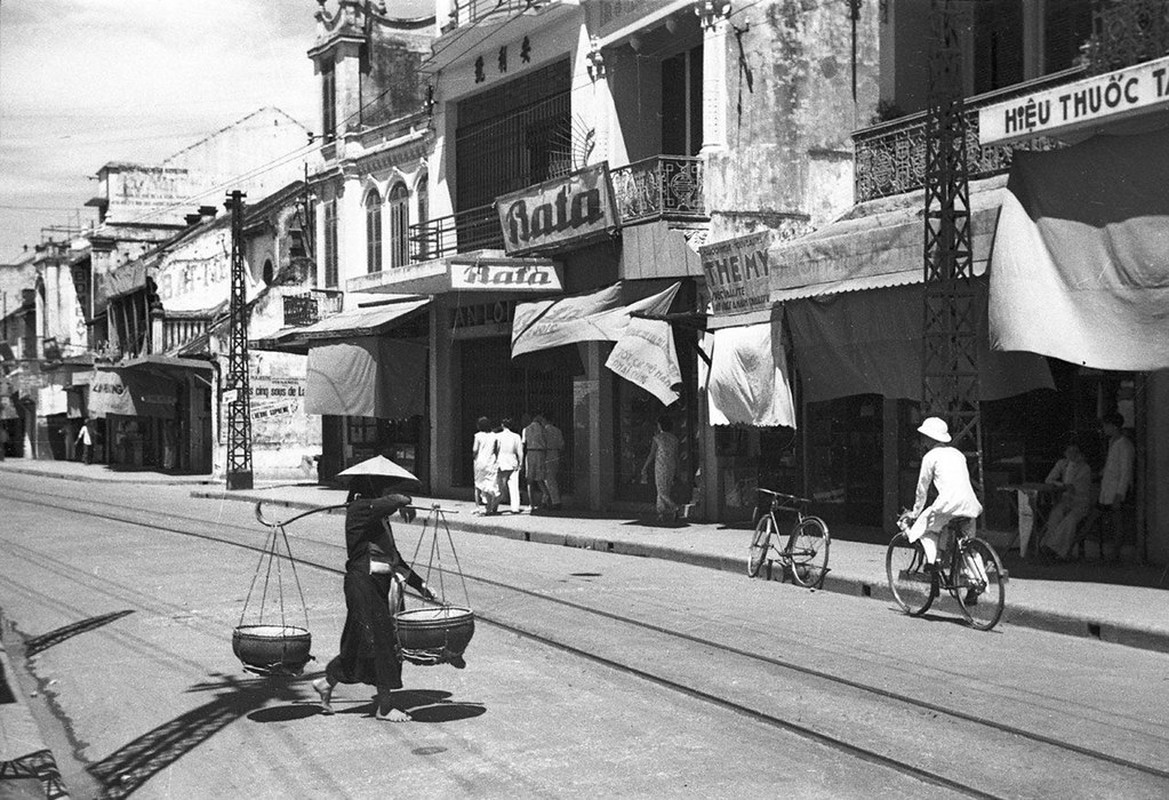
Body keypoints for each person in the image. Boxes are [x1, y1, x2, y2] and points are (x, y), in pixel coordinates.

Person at [312, 479, 436, 721]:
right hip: (363, 585)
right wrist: (403, 501)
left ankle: (326, 683)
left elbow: (395, 559)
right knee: (382, 641)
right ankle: (385, 707)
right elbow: (396, 501)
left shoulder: (379, 519)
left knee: (360, 644)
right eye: (385, 489)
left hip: (383, 585)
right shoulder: (358, 510)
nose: (387, 494)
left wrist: (420, 585)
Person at [904, 417, 986, 600]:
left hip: (948, 505)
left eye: (924, 437)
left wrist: (915, 512)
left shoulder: (930, 457)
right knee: (968, 546)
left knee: (923, 530)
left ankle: (933, 563)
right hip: (969, 505)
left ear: (928, 438)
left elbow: (922, 489)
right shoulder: (958, 454)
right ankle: (977, 581)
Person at [1038, 440, 1093, 561]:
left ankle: (1055, 549)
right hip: (1065, 500)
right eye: (1069, 451)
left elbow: (1075, 488)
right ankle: (1045, 545)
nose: (1072, 454)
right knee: (1055, 516)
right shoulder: (1062, 464)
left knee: (1070, 520)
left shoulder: (1085, 468)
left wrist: (1066, 487)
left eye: (1075, 452)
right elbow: (1049, 479)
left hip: (1080, 502)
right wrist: (1061, 484)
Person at [1091, 412, 1135, 561]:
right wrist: (1098, 474)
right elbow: (1111, 466)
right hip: (1107, 490)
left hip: (1116, 492)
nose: (1104, 428)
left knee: (1118, 522)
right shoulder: (1112, 443)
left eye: (1106, 425)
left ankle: (1115, 554)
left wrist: (1119, 494)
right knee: (1095, 517)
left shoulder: (1125, 445)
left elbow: (1125, 472)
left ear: (1113, 426)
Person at [640, 416, 680, 524]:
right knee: (665, 489)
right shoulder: (674, 439)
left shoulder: (657, 438)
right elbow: (676, 456)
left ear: (660, 425)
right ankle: (660, 514)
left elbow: (651, 454)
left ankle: (674, 507)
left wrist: (645, 467)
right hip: (671, 466)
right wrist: (678, 470)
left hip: (660, 466)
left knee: (661, 491)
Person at [472, 417, 500, 515]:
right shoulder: (494, 436)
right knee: (490, 484)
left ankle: (477, 507)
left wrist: (474, 457)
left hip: (480, 462)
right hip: (491, 462)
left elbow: (475, 449)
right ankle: (488, 508)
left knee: (478, 484)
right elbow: (496, 450)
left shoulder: (478, 436)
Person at [496, 417, 524, 513]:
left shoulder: (498, 436)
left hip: (501, 461)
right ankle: (515, 507)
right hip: (513, 461)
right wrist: (521, 463)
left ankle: (495, 506)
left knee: (499, 486)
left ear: (502, 425)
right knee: (514, 486)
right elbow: (520, 452)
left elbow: (495, 450)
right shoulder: (516, 436)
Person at [522, 413, 547, 511]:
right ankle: (546, 496)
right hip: (540, 453)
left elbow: (523, 443)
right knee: (540, 478)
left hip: (530, 452)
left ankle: (531, 504)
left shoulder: (526, 429)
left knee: (530, 480)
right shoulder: (543, 429)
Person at [539, 413, 563, 510]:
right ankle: (545, 500)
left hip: (547, 454)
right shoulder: (558, 431)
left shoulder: (543, 431)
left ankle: (555, 501)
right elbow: (561, 445)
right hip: (555, 454)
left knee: (548, 480)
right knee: (551, 478)